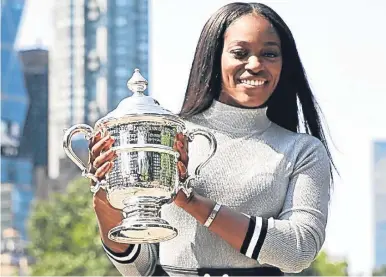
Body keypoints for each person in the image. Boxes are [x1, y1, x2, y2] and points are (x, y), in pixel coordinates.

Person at [88, 2, 336, 276]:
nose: (255, 64)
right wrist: (105, 199)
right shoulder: (168, 136)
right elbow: (140, 269)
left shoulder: (304, 151)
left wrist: (191, 202)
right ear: (214, 57)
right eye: (240, 53)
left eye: (270, 54)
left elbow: (298, 251)